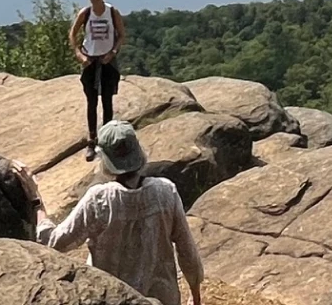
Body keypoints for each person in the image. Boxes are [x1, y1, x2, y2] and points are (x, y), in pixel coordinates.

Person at [18, 119, 204, 305]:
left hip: (112, 299)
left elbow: (54, 242)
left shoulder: (99, 199)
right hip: (163, 299)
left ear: (106, 160)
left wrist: (36, 201)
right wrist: (195, 295)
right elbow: (186, 249)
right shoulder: (165, 191)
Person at [68, 0, 125, 161]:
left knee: (107, 101)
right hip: (90, 59)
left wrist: (114, 52)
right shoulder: (86, 13)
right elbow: (73, 33)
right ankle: (92, 141)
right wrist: (79, 54)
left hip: (107, 58)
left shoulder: (111, 12)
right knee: (91, 102)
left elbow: (121, 34)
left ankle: (107, 140)